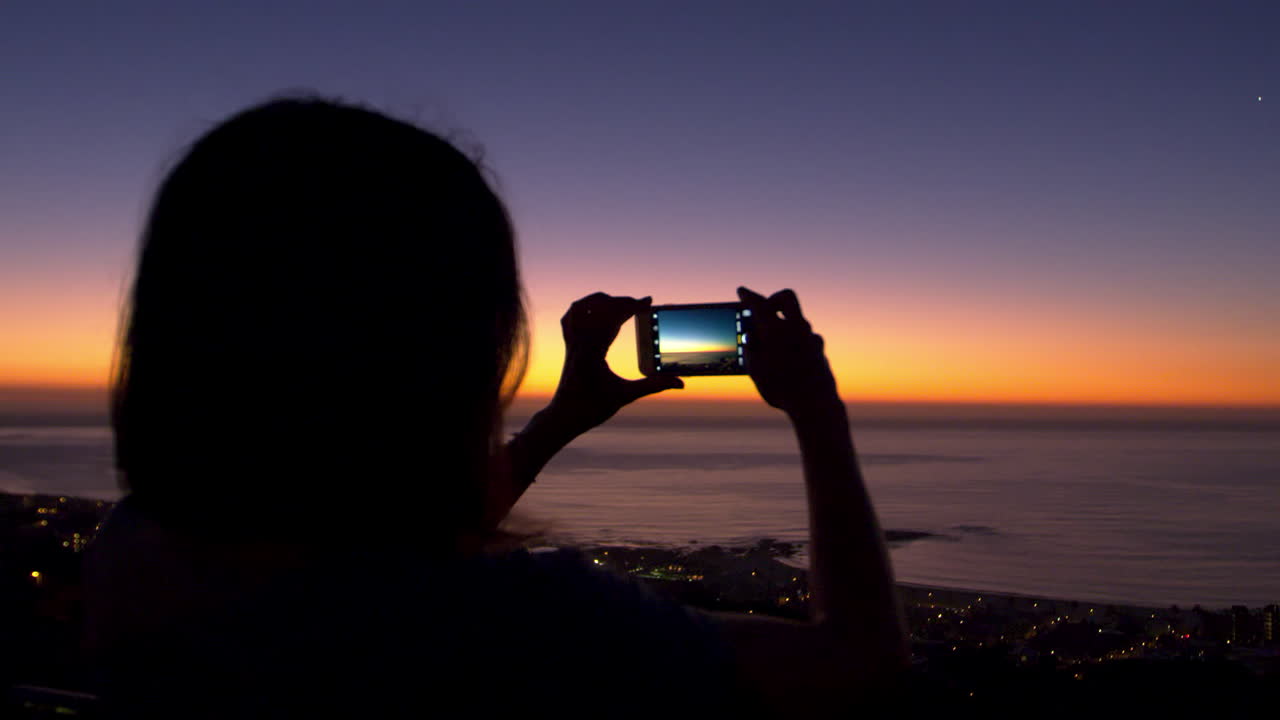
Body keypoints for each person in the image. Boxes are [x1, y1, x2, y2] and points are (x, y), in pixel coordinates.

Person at [82, 97, 908, 718]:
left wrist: (562, 419)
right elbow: (860, 660)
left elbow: (388, 542)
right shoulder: (527, 623)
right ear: (448, 354)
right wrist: (820, 415)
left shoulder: (136, 546)